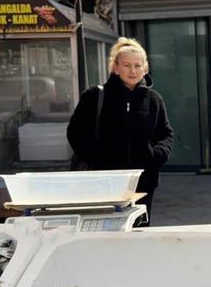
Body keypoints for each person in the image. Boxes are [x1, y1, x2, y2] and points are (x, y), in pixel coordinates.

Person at [67, 37, 173, 226]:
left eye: (137, 65)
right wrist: (98, 159)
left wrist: (154, 156)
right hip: (102, 182)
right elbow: (76, 134)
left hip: (142, 183)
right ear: (115, 68)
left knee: (139, 233)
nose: (133, 71)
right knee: (104, 231)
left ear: (145, 69)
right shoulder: (93, 97)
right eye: (126, 65)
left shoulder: (154, 100)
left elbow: (165, 134)